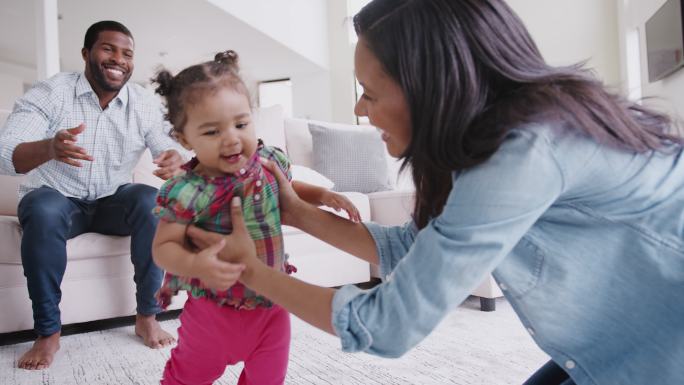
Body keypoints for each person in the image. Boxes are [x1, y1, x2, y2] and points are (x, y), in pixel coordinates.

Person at [184, 1, 684, 384]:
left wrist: (252, 272)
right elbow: (412, 247)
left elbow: (385, 325)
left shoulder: (526, 149)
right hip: (617, 351)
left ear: (432, 86)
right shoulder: (500, 139)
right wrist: (296, 213)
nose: (360, 109)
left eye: (370, 92)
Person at [150, 50, 360, 385]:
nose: (232, 138)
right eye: (212, 131)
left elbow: (287, 188)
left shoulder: (267, 161)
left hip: (272, 304)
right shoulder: (187, 190)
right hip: (212, 314)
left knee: (268, 379)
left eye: (241, 124)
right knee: (188, 378)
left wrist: (320, 195)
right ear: (184, 138)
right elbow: (164, 247)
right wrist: (197, 265)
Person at [0, 21, 184, 370]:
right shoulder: (51, 92)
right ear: (86, 54)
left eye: (127, 53)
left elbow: (167, 144)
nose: (118, 59)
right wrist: (49, 148)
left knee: (150, 200)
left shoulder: (142, 103)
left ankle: (147, 315)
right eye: (108, 49)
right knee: (43, 208)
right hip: (57, 199)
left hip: (111, 201)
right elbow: (4, 153)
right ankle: (48, 333)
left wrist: (176, 157)